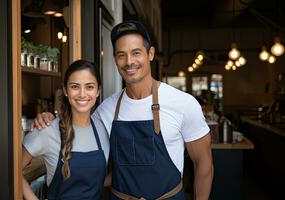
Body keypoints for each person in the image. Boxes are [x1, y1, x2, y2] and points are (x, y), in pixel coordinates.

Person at [34, 20, 213, 200]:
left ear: (150, 54)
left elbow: (203, 164)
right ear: (115, 60)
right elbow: (76, 133)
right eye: (121, 55)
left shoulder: (183, 103)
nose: (129, 62)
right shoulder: (105, 110)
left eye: (136, 53)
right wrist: (49, 120)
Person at [22, 60, 109, 200]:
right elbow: (14, 169)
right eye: (75, 86)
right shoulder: (46, 130)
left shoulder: (102, 128)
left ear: (98, 91)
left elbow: (99, 180)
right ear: (65, 90)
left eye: (89, 87)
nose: (82, 94)